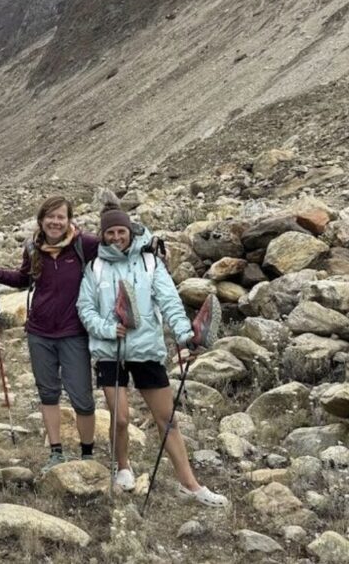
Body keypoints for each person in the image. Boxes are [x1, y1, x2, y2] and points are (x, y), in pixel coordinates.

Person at [76, 205, 228, 507]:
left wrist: (186, 335)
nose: (117, 236)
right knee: (120, 418)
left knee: (167, 419)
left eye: (121, 231)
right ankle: (123, 468)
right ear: (103, 236)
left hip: (146, 350)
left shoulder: (150, 263)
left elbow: (170, 302)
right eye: (110, 232)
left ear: (130, 231)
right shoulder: (95, 268)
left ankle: (190, 484)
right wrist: (107, 328)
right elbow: (85, 308)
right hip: (110, 352)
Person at [0, 196, 97, 471]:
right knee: (48, 393)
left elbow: (116, 250)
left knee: (82, 396)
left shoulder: (84, 245)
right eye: (50, 217)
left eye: (61, 216)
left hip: (74, 331)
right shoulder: (33, 247)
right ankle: (56, 451)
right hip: (39, 332)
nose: (55, 222)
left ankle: (87, 454)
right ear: (41, 220)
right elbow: (24, 279)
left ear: (69, 220)